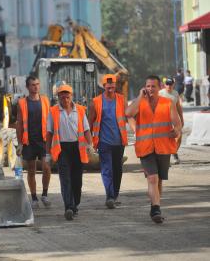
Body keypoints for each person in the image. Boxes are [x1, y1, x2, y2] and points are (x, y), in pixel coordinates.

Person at [126, 75, 181, 224]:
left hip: (163, 147)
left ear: (159, 88)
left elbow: (177, 123)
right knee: (152, 178)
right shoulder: (140, 102)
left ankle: (155, 204)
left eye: (153, 86)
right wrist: (139, 96)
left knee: (159, 181)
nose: (150, 89)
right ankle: (155, 209)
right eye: (148, 86)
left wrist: (176, 131)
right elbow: (129, 113)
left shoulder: (168, 103)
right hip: (145, 147)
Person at [46, 84, 93, 220]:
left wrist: (90, 145)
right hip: (62, 149)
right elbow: (49, 133)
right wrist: (48, 154)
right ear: (58, 96)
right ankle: (68, 207)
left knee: (77, 180)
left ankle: (75, 203)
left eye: (67, 94)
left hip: (78, 148)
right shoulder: (53, 111)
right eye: (62, 94)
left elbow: (86, 130)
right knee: (65, 179)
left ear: (71, 96)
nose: (65, 97)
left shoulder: (80, 110)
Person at [88, 74, 128, 209]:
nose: (110, 88)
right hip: (103, 141)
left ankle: (115, 194)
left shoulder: (122, 100)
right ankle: (109, 196)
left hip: (119, 141)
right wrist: (88, 141)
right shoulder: (96, 102)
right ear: (103, 86)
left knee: (117, 170)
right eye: (107, 86)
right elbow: (90, 121)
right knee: (107, 169)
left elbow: (127, 117)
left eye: (112, 86)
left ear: (115, 85)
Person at [16, 76, 51, 209]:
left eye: (37, 84)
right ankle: (34, 197)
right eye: (32, 85)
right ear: (27, 87)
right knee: (31, 170)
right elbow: (19, 124)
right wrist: (19, 143)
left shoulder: (46, 101)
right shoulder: (22, 103)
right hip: (29, 141)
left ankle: (45, 194)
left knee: (46, 167)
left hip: (44, 141)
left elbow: (50, 121)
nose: (35, 87)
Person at [159, 77, 184, 164]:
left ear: (173, 84)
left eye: (170, 84)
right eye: (167, 84)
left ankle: (173, 152)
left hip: (174, 118)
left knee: (179, 136)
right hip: (163, 119)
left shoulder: (175, 93)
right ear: (164, 84)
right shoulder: (160, 93)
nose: (169, 86)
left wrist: (181, 118)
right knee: (166, 138)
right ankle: (167, 155)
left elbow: (178, 107)